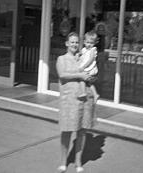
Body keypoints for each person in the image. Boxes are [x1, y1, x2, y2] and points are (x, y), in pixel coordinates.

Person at [56, 32, 97, 173]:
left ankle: (78, 162)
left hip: (85, 100)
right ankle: (63, 162)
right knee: (66, 131)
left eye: (76, 42)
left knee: (81, 132)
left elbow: (90, 74)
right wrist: (79, 75)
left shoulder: (82, 58)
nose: (74, 44)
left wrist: (91, 78)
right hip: (68, 101)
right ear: (67, 43)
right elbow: (62, 75)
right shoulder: (61, 59)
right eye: (72, 42)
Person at [77, 31, 100, 103]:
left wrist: (83, 67)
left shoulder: (93, 50)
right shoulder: (84, 49)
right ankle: (95, 94)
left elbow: (90, 59)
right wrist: (78, 55)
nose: (89, 44)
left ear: (94, 43)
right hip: (86, 68)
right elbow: (81, 55)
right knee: (89, 83)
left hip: (90, 68)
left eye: (91, 43)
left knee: (81, 79)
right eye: (87, 42)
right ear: (84, 42)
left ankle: (83, 92)